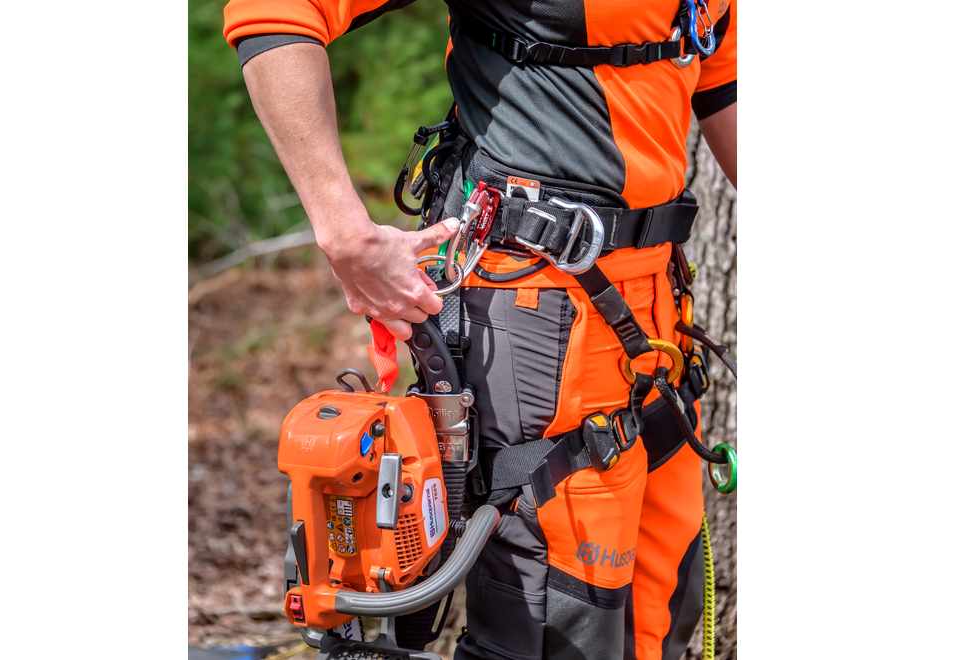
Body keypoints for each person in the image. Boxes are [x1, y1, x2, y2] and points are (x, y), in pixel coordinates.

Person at [222, 1, 736, 658]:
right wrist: (345, 234)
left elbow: (722, 84)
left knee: (658, 606)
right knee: (554, 625)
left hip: (656, 308)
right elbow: (276, 10)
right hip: (538, 305)